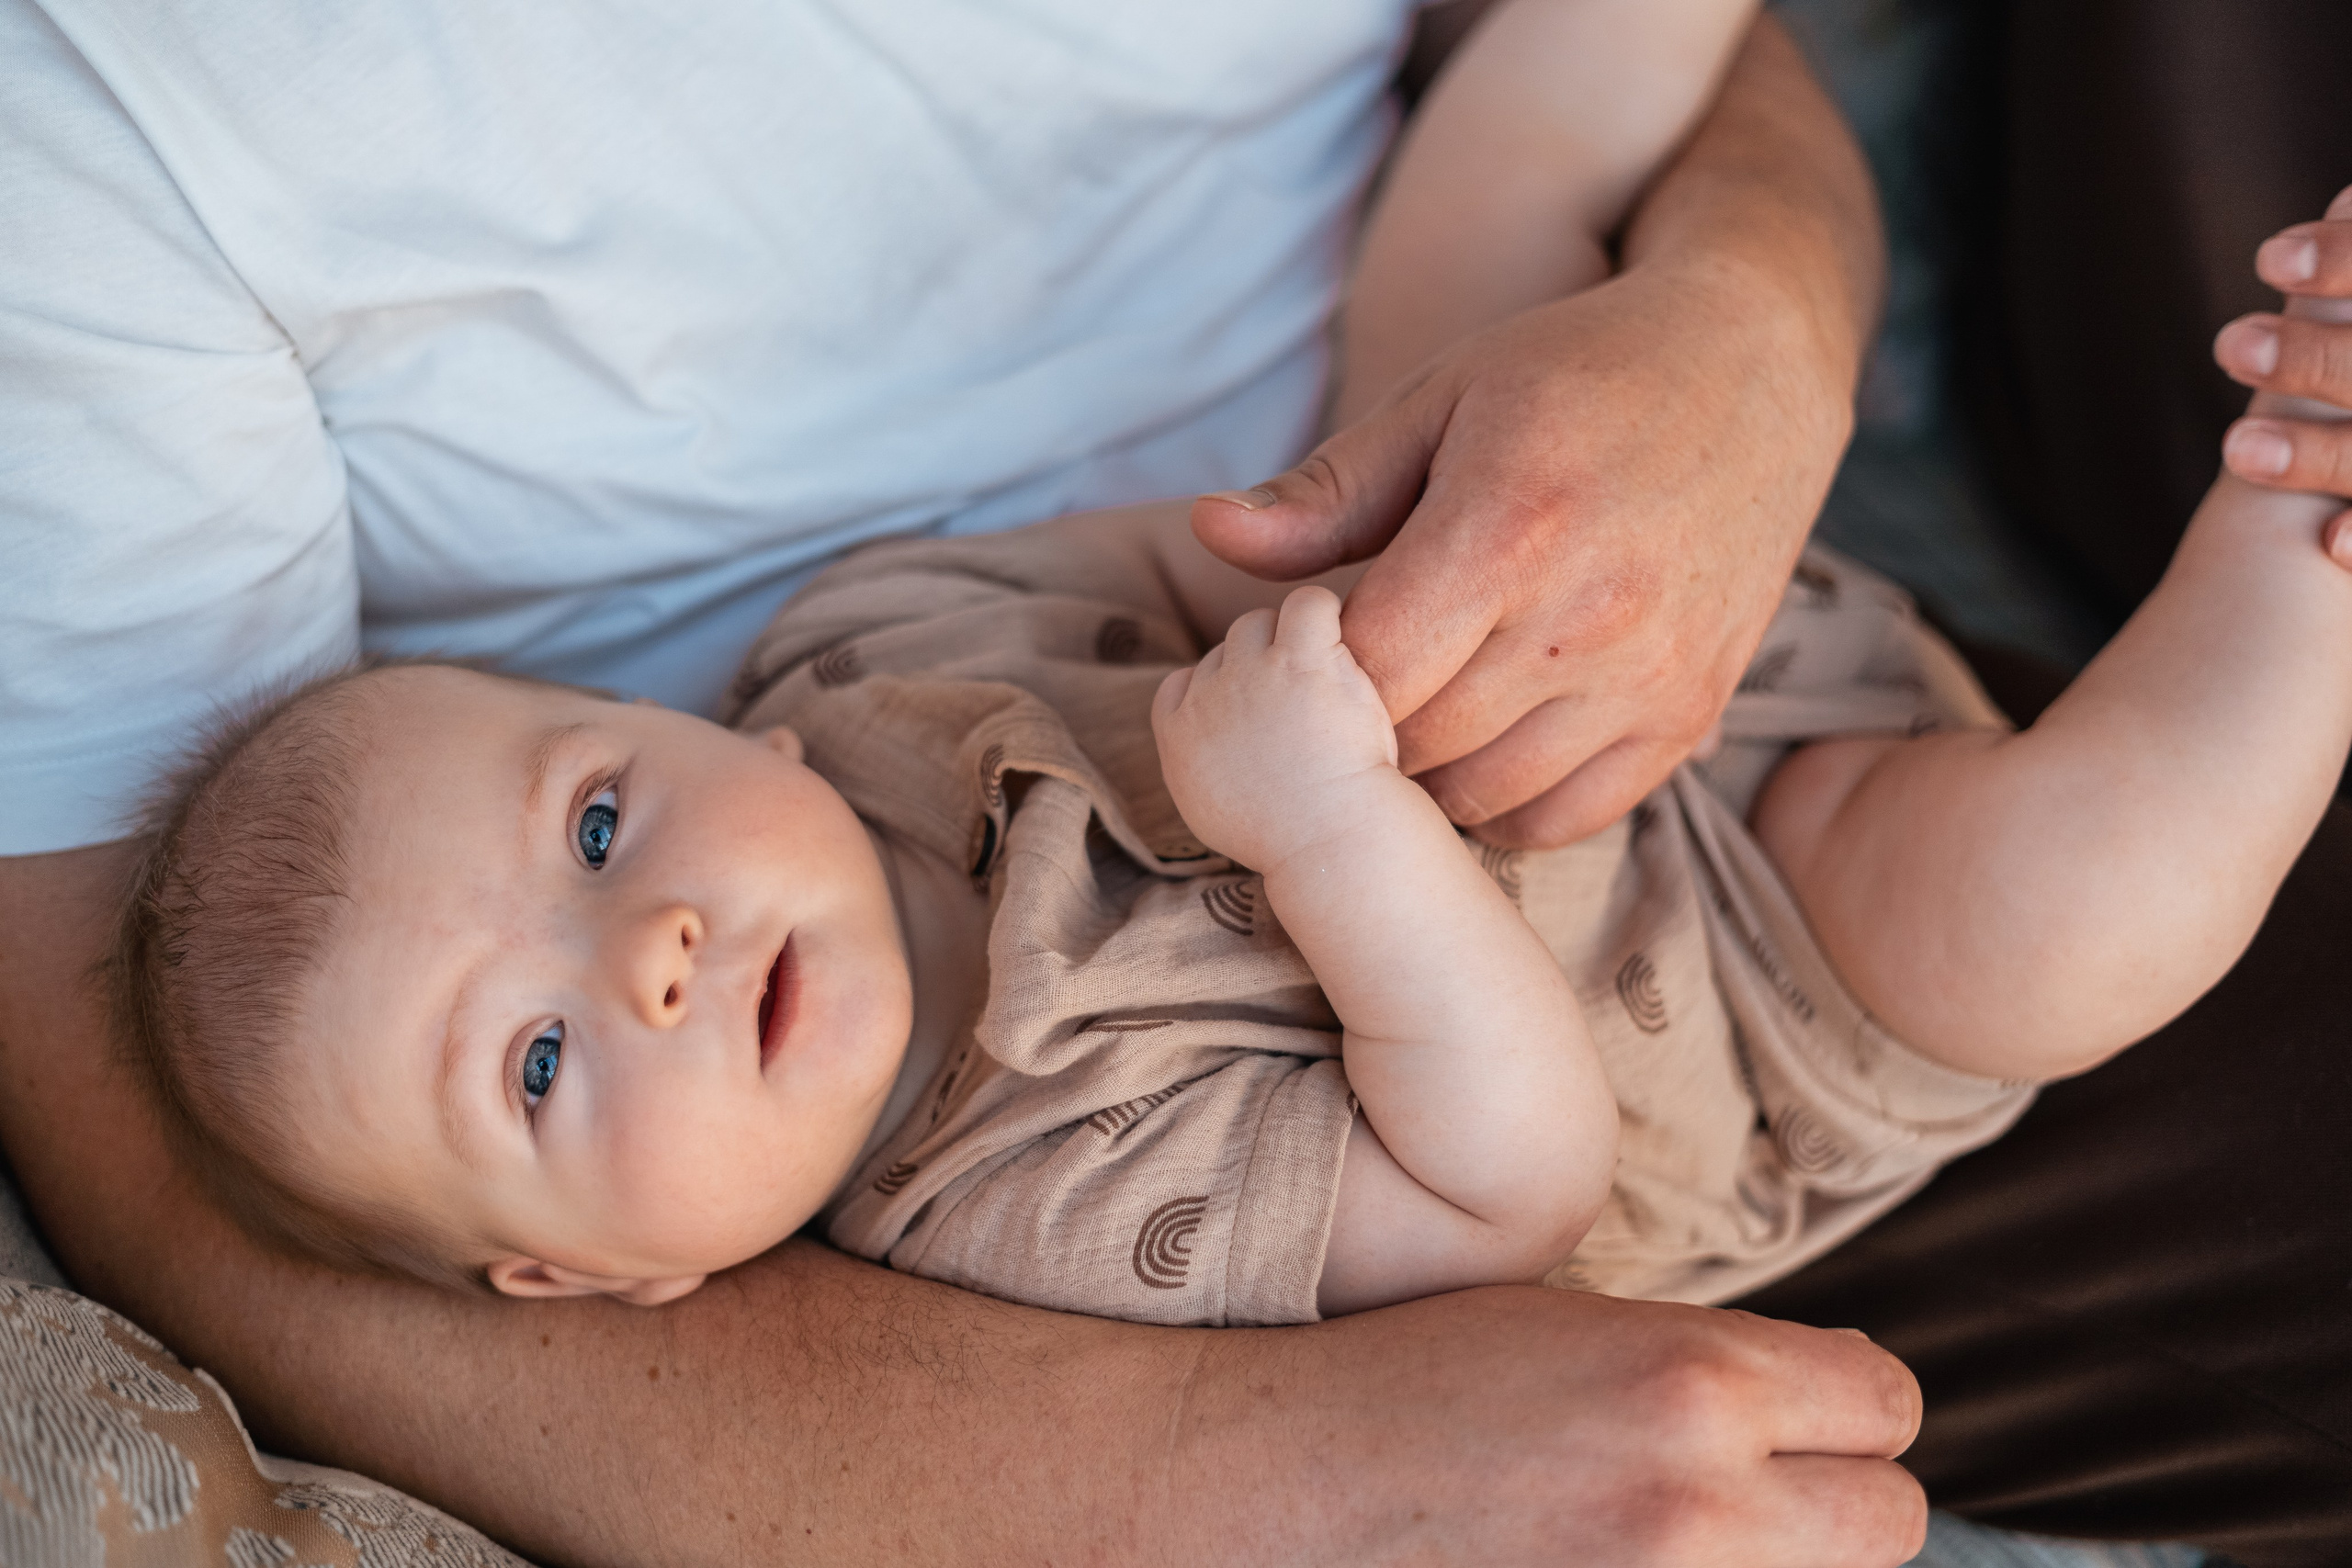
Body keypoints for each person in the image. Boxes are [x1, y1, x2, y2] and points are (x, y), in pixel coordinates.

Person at [0, 0, 2346, 1562]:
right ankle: (2297, 519)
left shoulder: (836, 675)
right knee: (2057, 911)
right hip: (1725, 971)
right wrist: (1325, 811)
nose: (658, 939)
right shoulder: (1007, 1200)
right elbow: (1503, 1173)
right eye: (538, 1058)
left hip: (1431, 543)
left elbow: (1119, 552)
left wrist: (1664, 358)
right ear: (579, 1274)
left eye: (603, 823)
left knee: (1503, 170)